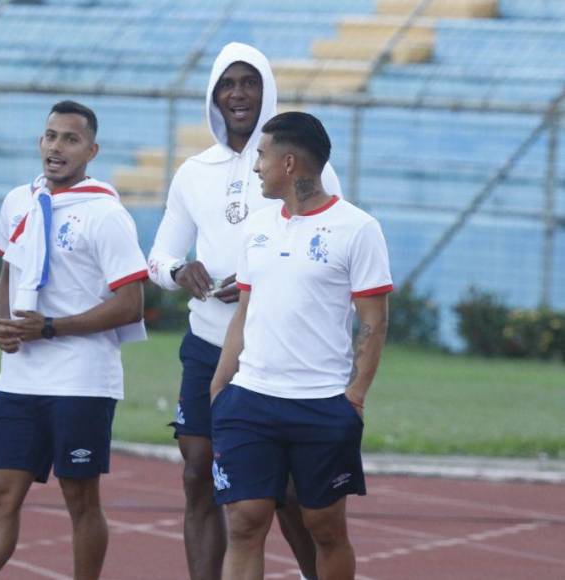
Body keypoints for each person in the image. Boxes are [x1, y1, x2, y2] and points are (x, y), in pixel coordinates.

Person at [146, 42, 341, 580]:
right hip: (209, 344)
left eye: (249, 82)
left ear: (266, 90)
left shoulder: (297, 158)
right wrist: (180, 272)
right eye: (227, 83)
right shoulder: (193, 172)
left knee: (289, 490)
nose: (238, 93)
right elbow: (159, 256)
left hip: (278, 353)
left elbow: (326, 243)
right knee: (198, 474)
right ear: (213, 94)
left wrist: (258, 284)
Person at [0, 100, 148, 580]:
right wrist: (4, 322)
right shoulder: (17, 201)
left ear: (91, 149)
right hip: (20, 376)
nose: (56, 147)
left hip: (82, 379)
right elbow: (9, 273)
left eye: (70, 139)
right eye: (50, 136)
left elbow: (131, 303)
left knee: (79, 495)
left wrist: (49, 327)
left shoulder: (105, 214)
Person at [209, 111, 392, 580]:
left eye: (262, 157)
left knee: (324, 527)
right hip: (250, 399)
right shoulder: (258, 226)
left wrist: (354, 397)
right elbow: (244, 312)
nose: (255, 168)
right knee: (246, 520)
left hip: (322, 403)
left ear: (289, 163)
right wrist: (220, 385)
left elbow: (373, 321)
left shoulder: (359, 228)